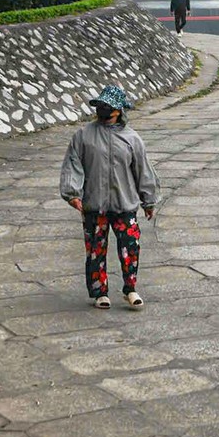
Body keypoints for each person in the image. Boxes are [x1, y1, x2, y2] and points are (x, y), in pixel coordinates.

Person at [60, 86, 158, 309]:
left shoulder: (132, 139)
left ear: (119, 111)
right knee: (95, 250)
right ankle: (100, 292)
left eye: (109, 108)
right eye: (101, 107)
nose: (104, 111)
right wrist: (72, 193)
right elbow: (73, 165)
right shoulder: (83, 136)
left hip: (125, 204)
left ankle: (130, 289)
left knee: (130, 248)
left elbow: (143, 171)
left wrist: (148, 200)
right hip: (94, 205)